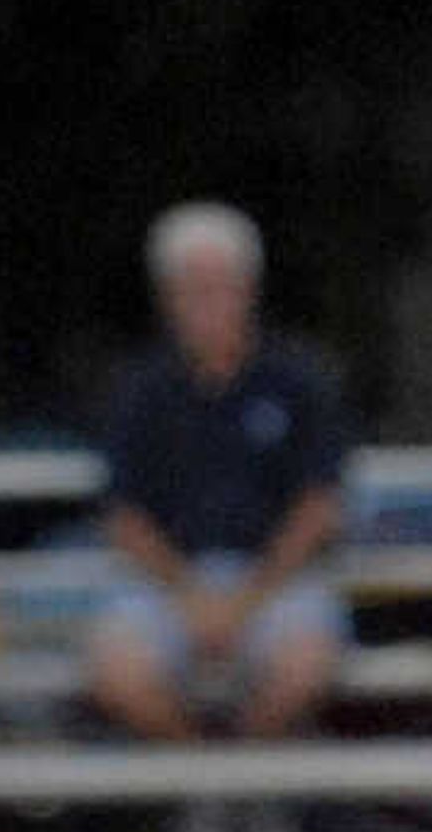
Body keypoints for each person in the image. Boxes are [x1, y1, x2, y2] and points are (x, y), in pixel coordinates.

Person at [82, 202, 354, 741]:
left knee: (306, 666)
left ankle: (242, 771)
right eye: (192, 288)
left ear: (248, 290)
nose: (207, 303)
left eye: (219, 286)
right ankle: (200, 777)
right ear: (168, 299)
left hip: (277, 580)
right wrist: (191, 597)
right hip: (166, 583)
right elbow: (122, 517)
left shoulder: (299, 381)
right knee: (118, 673)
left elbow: (319, 507)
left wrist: (247, 598)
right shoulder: (140, 391)